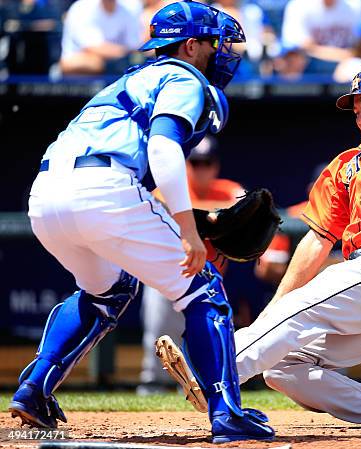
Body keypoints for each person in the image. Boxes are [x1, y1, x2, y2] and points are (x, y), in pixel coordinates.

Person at [157, 33, 361, 427]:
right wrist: (276, 310)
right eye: (357, 110)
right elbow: (316, 241)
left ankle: (211, 372)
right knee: (283, 368)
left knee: (302, 310)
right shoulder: (344, 165)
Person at [8, 1, 274, 443]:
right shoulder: (186, 77)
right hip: (103, 189)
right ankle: (227, 415)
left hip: (46, 195)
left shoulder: (127, 80)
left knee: (106, 292)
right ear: (191, 46)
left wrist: (190, 219)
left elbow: (139, 175)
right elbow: (164, 150)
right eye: (214, 44)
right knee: (203, 289)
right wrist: (189, 232)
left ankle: (34, 388)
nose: (223, 53)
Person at [138, 137, 246, 395]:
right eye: (196, 163)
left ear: (215, 165)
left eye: (207, 163)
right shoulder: (169, 191)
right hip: (169, 279)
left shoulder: (229, 190)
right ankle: (152, 389)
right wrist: (215, 215)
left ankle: (200, 390)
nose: (201, 169)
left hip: (209, 283)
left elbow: (244, 203)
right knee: (158, 340)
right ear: (186, 164)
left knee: (205, 344)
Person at [59, 0, 142, 75]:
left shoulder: (131, 7)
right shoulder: (81, 8)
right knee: (93, 64)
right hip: (82, 65)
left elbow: (134, 46)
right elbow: (94, 48)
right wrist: (126, 55)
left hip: (119, 65)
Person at [281, 0, 361, 62]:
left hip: (348, 62)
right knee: (293, 59)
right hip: (310, 62)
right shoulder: (299, 5)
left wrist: (315, 48)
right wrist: (343, 54)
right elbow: (299, 45)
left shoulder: (355, 5)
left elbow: (360, 45)